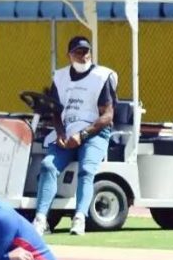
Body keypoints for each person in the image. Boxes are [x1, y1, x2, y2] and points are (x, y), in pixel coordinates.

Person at [32, 36, 117, 236]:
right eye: (78, 52)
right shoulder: (60, 77)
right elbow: (55, 111)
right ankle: (40, 218)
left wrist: (83, 134)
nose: (83, 56)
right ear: (69, 55)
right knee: (47, 166)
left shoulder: (101, 77)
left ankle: (79, 218)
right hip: (68, 132)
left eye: (86, 51)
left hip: (94, 132)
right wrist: (61, 133)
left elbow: (108, 116)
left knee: (87, 170)